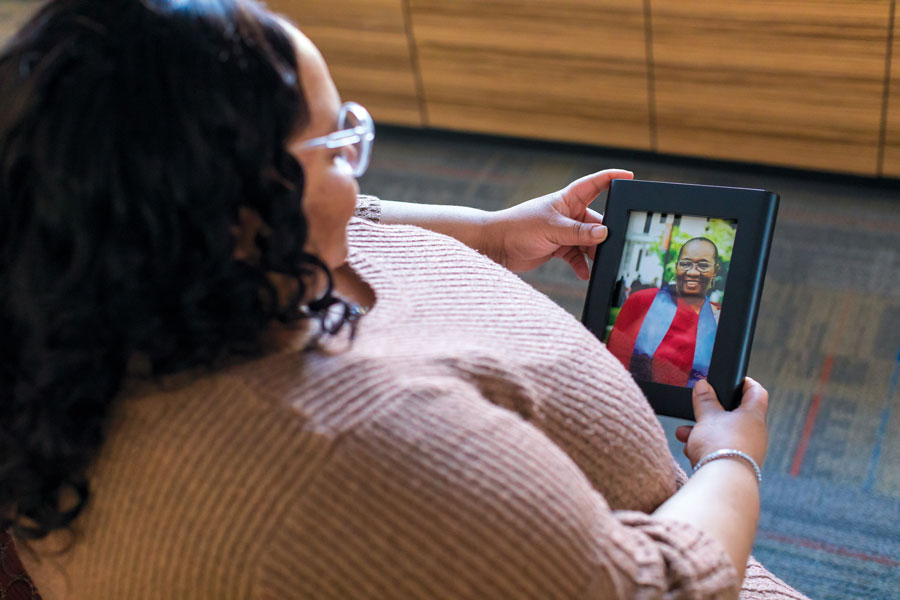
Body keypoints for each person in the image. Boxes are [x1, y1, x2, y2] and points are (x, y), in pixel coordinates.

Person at [0, 1, 807, 598]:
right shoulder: (346, 457)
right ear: (245, 211)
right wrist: (731, 457)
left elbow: (374, 217)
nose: (359, 178)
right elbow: (659, 590)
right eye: (339, 144)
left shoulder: (113, 275)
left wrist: (492, 232)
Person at [607, 238, 722, 387]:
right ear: (676, 267)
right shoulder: (642, 301)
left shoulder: (719, 319)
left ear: (715, 270)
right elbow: (611, 362)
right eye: (686, 263)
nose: (693, 272)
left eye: (703, 265)